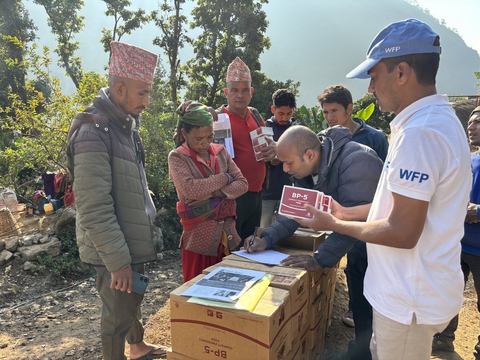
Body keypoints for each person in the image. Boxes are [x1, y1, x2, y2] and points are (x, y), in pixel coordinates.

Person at [294, 19, 472, 360]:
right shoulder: (432, 122)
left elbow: (403, 231)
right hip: (404, 292)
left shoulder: (421, 133)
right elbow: (400, 208)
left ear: (402, 72)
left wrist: (335, 225)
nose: (371, 89)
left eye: (374, 77)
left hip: (408, 298)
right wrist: (345, 212)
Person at [245, 125, 383, 360]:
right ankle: (362, 353)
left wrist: (319, 259)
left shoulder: (358, 161)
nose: (286, 170)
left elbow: (353, 222)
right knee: (359, 298)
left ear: (309, 155)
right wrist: (266, 239)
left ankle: (369, 354)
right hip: (359, 245)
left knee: (373, 303)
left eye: (289, 163)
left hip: (379, 247)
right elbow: (295, 211)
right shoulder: (309, 168)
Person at [66, 41, 167, 360]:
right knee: (116, 315)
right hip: (112, 246)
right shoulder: (92, 132)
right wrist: (118, 262)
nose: (147, 101)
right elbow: (94, 207)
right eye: (142, 93)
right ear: (120, 89)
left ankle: (136, 346)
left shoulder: (125, 127)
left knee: (132, 297)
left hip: (129, 235)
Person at [318, 84, 388, 331]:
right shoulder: (325, 140)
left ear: (349, 109)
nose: (329, 118)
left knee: (375, 281)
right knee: (355, 275)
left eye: (334, 111)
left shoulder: (374, 138)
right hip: (344, 223)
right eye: (325, 112)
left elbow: (385, 185)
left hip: (371, 224)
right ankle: (360, 340)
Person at [168, 100, 248, 282]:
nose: (205, 143)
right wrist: (225, 178)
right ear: (184, 133)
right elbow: (190, 190)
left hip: (228, 235)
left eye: (209, 137)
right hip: (198, 242)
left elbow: (243, 184)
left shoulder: (221, 152)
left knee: (227, 289)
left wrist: (215, 193)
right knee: (198, 291)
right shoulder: (178, 157)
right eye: (198, 138)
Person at [431, 106, 480, 357]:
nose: (471, 127)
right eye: (470, 122)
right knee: (448, 293)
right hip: (456, 243)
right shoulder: (467, 159)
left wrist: (478, 211)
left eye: (478, 122)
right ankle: (443, 339)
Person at [215, 57, 277, 243]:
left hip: (258, 193)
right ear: (226, 92)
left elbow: (269, 151)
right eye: (234, 90)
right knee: (231, 245)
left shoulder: (256, 115)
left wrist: (274, 153)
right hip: (233, 196)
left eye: (244, 90)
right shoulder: (217, 119)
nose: (239, 95)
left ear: (251, 92)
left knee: (250, 244)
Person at [260, 89, 298, 228]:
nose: (284, 118)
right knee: (262, 229)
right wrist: (269, 160)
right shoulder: (264, 129)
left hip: (289, 191)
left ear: (293, 110)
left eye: (289, 114)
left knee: (283, 230)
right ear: (273, 109)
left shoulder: (296, 130)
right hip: (267, 192)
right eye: (280, 113)